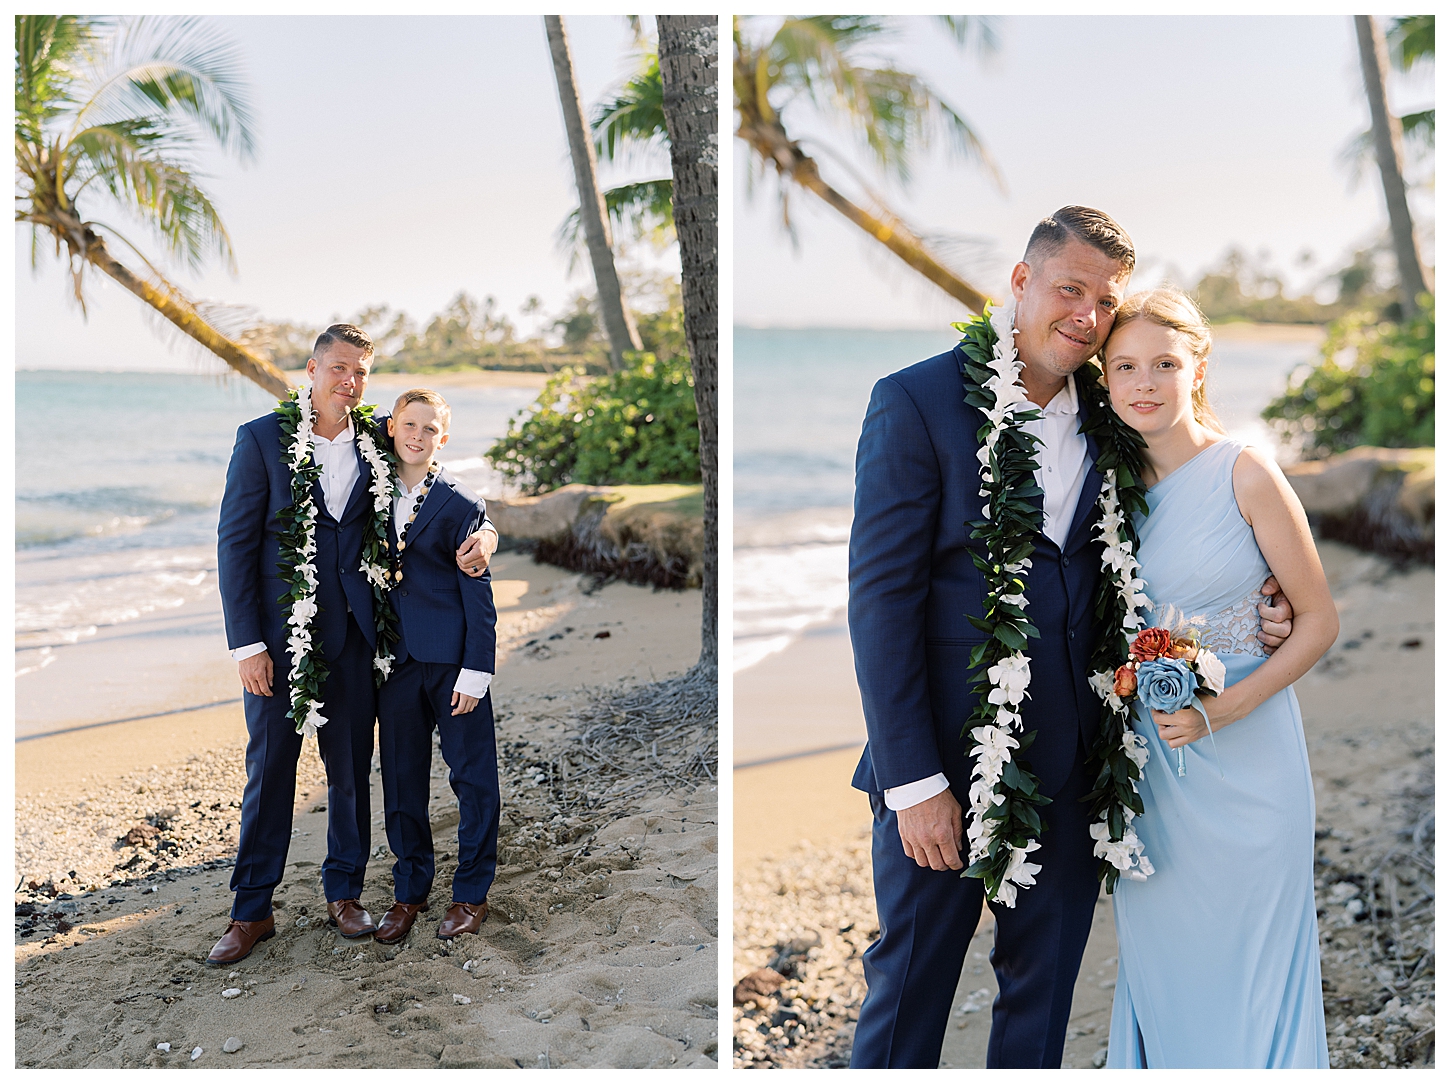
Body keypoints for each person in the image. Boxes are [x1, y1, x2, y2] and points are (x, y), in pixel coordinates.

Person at [845, 207, 1293, 1068]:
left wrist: (1263, 594)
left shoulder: (1115, 411)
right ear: (1021, 282)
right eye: (1069, 289)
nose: (1085, 315)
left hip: (1075, 764)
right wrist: (911, 782)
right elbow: (880, 600)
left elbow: (1183, 525)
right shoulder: (917, 401)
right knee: (909, 991)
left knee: (1040, 1002)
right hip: (940, 762)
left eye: (1103, 300)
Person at [208, 325, 496, 966]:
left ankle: (344, 893)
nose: (349, 381)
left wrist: (489, 532)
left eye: (360, 372)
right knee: (270, 774)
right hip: (281, 646)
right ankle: (252, 908)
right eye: (338, 368)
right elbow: (232, 546)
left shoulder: (375, 439)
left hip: (359, 642)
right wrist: (246, 644)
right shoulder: (261, 440)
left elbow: (434, 485)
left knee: (348, 777)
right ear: (311, 370)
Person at [1100, 290, 1335, 1067]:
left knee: (1255, 962)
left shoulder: (1247, 472)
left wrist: (1227, 707)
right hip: (1154, 768)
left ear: (1197, 368)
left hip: (1250, 753)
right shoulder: (1104, 490)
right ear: (1103, 378)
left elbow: (1317, 621)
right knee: (1169, 961)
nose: (1145, 383)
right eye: (1125, 365)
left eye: (1164, 363)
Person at [371, 389, 501, 944]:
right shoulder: (368, 484)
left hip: (451, 663)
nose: (418, 435)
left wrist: (476, 672)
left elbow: (479, 589)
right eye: (409, 424)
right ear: (392, 427)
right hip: (393, 663)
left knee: (473, 780)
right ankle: (409, 892)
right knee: (401, 783)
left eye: (430, 428)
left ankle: (470, 894)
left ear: (442, 439)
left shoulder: (458, 502)